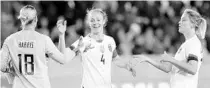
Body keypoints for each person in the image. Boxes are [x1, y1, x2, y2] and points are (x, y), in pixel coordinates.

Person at [57, 8, 137, 88]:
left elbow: (116, 59)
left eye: (98, 20)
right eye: (92, 20)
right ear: (89, 23)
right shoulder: (83, 42)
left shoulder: (110, 41)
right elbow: (63, 58)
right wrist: (61, 36)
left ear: (104, 21)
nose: (95, 23)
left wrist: (127, 66)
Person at [0, 5, 71, 88]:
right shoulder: (43, 39)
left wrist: (11, 69)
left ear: (21, 20)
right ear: (36, 20)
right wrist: (61, 35)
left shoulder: (10, 40)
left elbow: (1, 66)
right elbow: (62, 60)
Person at [134, 9, 207, 88]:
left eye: (184, 20)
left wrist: (171, 59)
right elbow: (168, 68)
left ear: (193, 24)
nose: (179, 22)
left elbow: (193, 69)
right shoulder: (186, 44)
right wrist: (147, 59)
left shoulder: (193, 43)